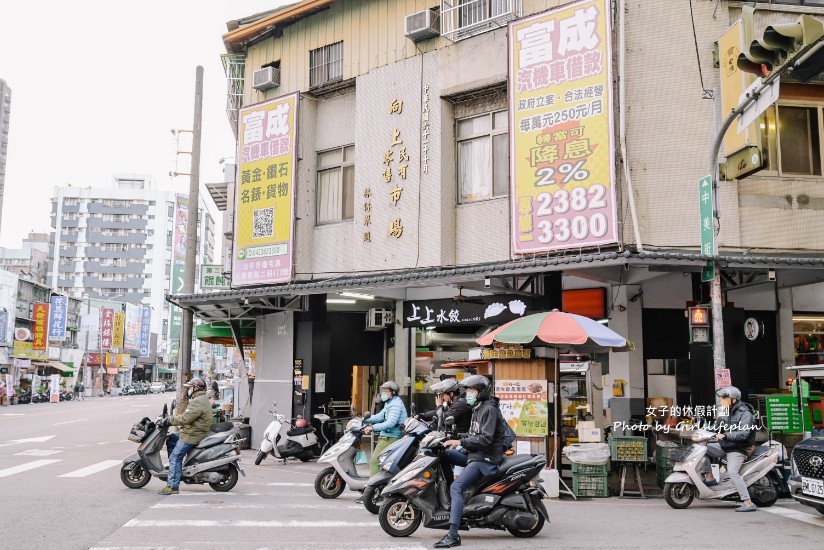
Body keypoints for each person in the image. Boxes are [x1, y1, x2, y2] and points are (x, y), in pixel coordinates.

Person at [436, 374, 506, 548]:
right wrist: (454, 437)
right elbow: (474, 434)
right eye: (467, 390)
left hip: (485, 458)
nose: (468, 393)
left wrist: (460, 442)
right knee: (442, 455)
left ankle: (453, 535)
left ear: (481, 392)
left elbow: (485, 439)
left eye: (471, 390)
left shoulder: (489, 409)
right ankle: (454, 505)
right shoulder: (478, 407)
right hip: (475, 454)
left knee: (457, 487)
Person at [700, 385, 758, 512]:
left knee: (733, 472)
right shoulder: (727, 411)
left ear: (734, 399)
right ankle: (709, 478)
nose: (722, 400)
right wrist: (701, 431)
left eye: (724, 398)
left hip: (740, 448)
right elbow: (716, 427)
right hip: (727, 445)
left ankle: (748, 502)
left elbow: (744, 434)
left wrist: (725, 435)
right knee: (701, 448)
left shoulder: (745, 413)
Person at [155, 377, 213, 495]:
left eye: (190, 387)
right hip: (191, 431)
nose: (188, 390)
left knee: (175, 457)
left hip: (193, 434)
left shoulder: (198, 401)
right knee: (171, 439)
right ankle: (175, 468)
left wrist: (168, 421)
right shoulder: (199, 398)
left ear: (196, 388)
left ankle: (172, 486)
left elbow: (186, 419)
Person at [419, 378, 473, 486]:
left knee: (455, 474)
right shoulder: (453, 403)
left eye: (443, 395)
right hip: (454, 438)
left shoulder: (460, 404)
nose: (441, 397)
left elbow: (444, 418)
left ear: (451, 394)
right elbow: (438, 413)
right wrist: (421, 416)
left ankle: (455, 483)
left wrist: (439, 405)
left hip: (461, 442)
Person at [362, 381, 408, 476]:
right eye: (383, 390)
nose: (384, 393)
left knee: (375, 461)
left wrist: (372, 427)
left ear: (393, 393)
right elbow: (380, 416)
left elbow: (390, 423)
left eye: (386, 391)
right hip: (387, 436)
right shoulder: (389, 403)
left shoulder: (395, 404)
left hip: (391, 438)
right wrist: (364, 420)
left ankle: (372, 488)